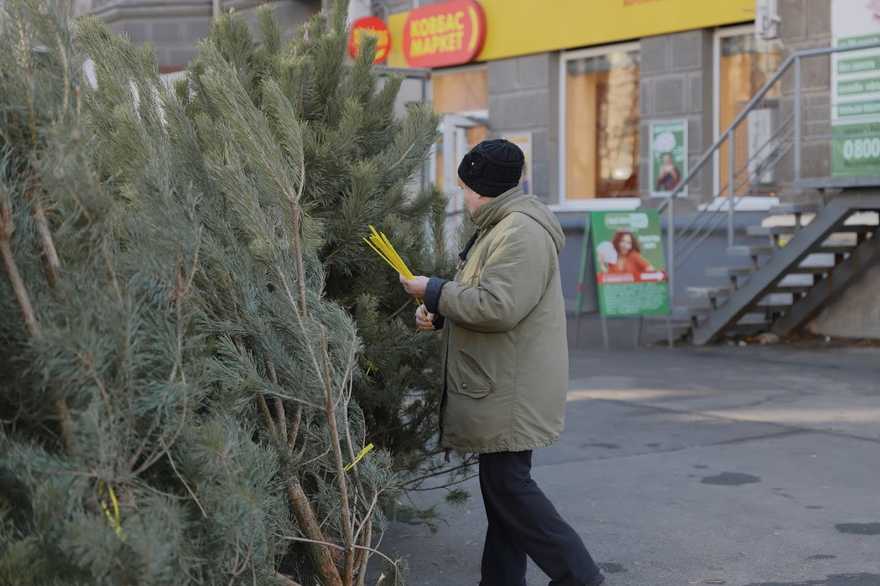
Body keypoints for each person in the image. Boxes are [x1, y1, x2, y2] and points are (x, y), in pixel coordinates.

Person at [399, 139, 605, 586]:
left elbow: (498, 307)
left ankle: (580, 577)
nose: (463, 198)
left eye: (466, 189)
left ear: (483, 187)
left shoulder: (519, 231)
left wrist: (433, 290)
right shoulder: (500, 227)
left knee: (509, 489)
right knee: (502, 495)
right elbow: (478, 296)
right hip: (503, 381)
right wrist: (437, 311)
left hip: (512, 389)